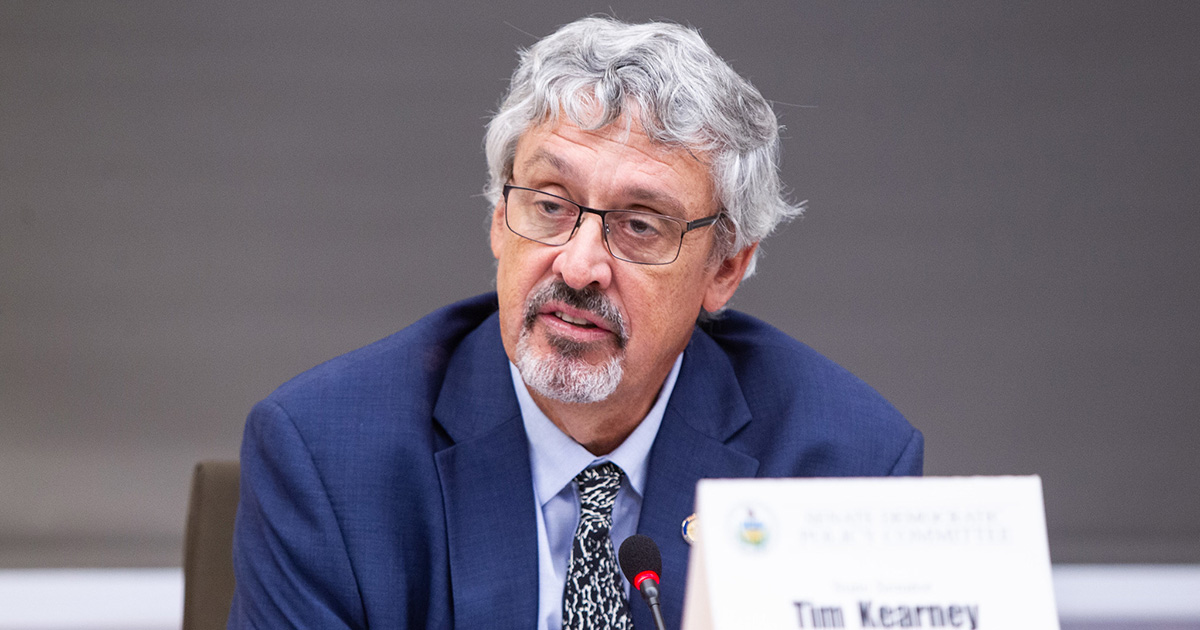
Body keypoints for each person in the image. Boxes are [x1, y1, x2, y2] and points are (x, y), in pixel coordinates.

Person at [228, 16, 922, 630]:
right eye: (550, 205)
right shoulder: (328, 457)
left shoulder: (840, 469)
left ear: (726, 269)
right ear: (499, 217)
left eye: (640, 225)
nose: (580, 264)